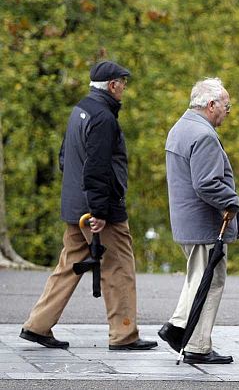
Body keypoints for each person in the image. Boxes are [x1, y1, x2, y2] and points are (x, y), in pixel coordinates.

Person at [20, 60, 158, 351]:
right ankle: (124, 335)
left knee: (69, 265)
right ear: (112, 85)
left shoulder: (80, 110)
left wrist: (81, 200)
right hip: (97, 210)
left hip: (75, 205)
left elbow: (64, 158)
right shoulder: (104, 119)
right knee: (119, 267)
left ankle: (37, 325)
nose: (124, 88)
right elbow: (97, 168)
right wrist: (99, 211)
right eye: (122, 82)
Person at [158, 77, 239, 364]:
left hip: (187, 222)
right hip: (204, 223)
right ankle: (195, 343)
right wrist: (231, 201)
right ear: (211, 105)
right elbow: (207, 183)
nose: (227, 112)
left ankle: (179, 328)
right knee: (210, 281)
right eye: (226, 106)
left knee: (198, 278)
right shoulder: (203, 135)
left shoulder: (180, 128)